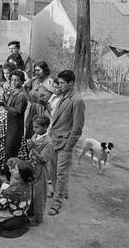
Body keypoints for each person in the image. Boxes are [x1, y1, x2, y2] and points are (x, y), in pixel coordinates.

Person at [48, 70, 85, 216]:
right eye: (59, 82)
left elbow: (77, 128)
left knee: (61, 173)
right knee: (52, 171)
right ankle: (60, 192)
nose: (59, 85)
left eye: (63, 83)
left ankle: (58, 202)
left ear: (71, 83)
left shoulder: (77, 100)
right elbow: (56, 118)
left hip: (65, 143)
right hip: (54, 139)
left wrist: (69, 146)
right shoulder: (62, 95)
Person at [27, 115, 54, 226]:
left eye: (37, 127)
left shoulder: (48, 143)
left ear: (45, 127)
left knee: (39, 194)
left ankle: (38, 218)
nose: (34, 130)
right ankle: (31, 212)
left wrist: (32, 148)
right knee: (31, 191)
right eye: (34, 127)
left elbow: (43, 159)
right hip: (33, 168)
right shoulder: (37, 135)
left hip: (41, 170)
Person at [24, 61, 54, 140]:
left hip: (44, 108)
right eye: (35, 70)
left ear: (44, 70)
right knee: (29, 127)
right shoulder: (34, 81)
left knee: (40, 128)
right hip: (34, 107)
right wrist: (27, 89)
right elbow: (30, 97)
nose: (36, 73)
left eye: (39, 70)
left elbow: (49, 97)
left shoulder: (50, 82)